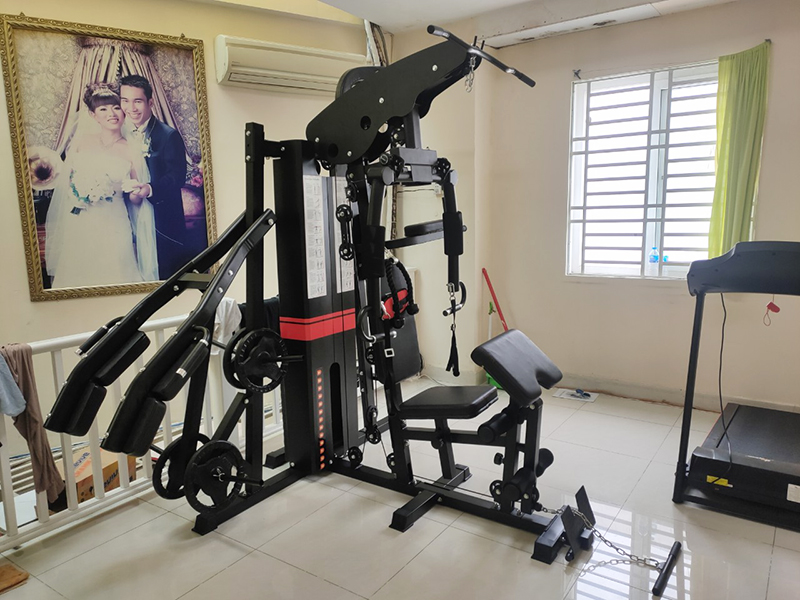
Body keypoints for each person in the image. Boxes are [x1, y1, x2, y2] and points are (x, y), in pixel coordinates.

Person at [45, 83, 153, 288]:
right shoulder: (82, 142)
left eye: (116, 107)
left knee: (116, 273)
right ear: (93, 115)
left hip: (114, 223)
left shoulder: (132, 149)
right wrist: (79, 193)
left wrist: (138, 192)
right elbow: (68, 183)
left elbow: (134, 197)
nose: (111, 114)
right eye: (103, 109)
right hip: (81, 221)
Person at [120, 74, 190, 280]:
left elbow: (177, 176)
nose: (131, 108)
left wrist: (149, 189)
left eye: (138, 101)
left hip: (159, 217)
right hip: (124, 212)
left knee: (162, 274)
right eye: (125, 101)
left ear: (150, 102)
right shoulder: (118, 132)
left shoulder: (168, 135)